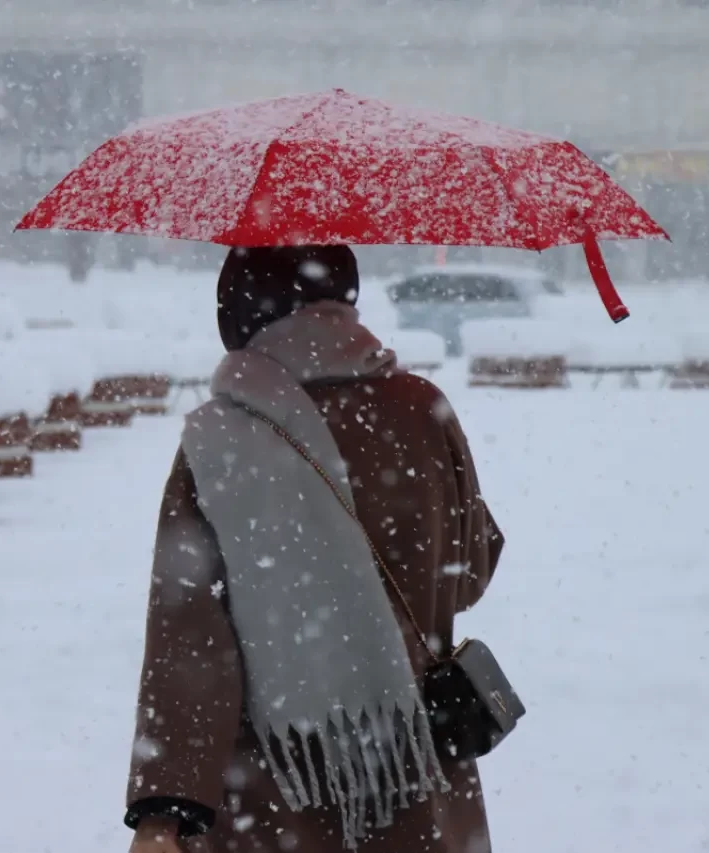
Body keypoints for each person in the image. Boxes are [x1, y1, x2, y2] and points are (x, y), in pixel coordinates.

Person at [124, 245, 505, 853]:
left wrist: (164, 808)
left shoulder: (220, 440)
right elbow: (470, 571)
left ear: (241, 315)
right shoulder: (420, 410)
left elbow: (191, 637)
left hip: (274, 795)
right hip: (417, 769)